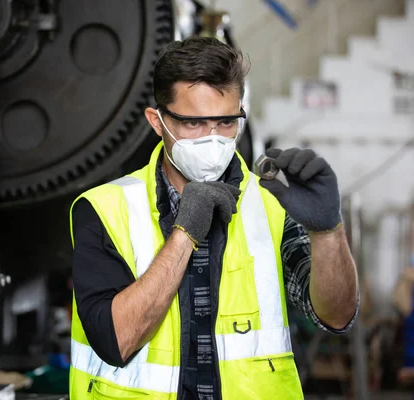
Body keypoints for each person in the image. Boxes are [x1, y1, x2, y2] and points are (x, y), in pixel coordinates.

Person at [68, 37, 359, 400]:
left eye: (225, 122)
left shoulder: (271, 203)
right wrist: (184, 233)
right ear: (157, 122)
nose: (213, 139)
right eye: (193, 123)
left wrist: (328, 231)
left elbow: (336, 316)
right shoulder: (104, 209)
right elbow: (118, 341)